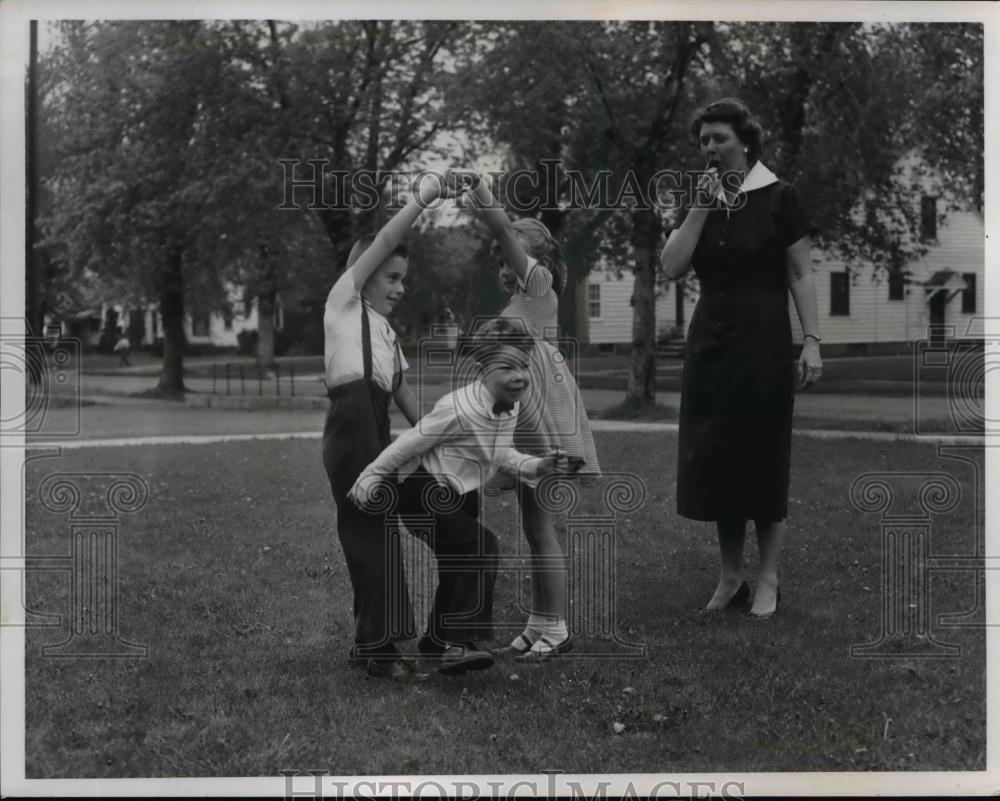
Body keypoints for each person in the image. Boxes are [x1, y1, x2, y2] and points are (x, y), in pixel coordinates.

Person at [660, 97, 822, 619]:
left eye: (720, 138)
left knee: (763, 454)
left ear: (745, 141)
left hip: (764, 337)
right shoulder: (700, 199)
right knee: (720, 457)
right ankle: (731, 577)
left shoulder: (780, 196)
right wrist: (701, 206)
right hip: (711, 339)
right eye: (704, 140)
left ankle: (769, 577)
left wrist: (813, 339)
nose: (710, 147)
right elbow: (671, 267)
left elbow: (800, 274)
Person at [349, 317, 572, 675]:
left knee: (460, 562)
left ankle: (436, 639)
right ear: (483, 368)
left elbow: (500, 453)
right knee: (479, 547)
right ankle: (459, 644)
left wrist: (537, 466)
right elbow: (412, 440)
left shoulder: (509, 406)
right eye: (508, 367)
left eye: (525, 366)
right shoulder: (458, 407)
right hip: (422, 491)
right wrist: (371, 474)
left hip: (458, 495)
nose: (520, 376)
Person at [458, 170, 601, 660]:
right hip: (525, 412)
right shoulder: (521, 297)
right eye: (502, 261)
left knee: (542, 527)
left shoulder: (538, 284)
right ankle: (540, 620)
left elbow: (500, 229)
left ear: (535, 256)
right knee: (531, 523)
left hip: (541, 415)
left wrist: (480, 193)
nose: (504, 264)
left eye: (510, 253)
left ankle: (556, 625)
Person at [322, 171, 452, 682]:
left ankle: (372, 642)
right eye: (391, 277)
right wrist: (424, 196)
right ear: (364, 272)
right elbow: (383, 240)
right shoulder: (342, 305)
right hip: (351, 421)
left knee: (380, 529)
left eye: (403, 280)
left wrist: (438, 439)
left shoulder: (386, 331)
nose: (400, 288)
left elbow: (403, 396)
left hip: (375, 421)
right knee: (369, 529)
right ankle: (377, 648)